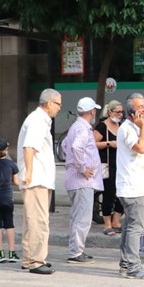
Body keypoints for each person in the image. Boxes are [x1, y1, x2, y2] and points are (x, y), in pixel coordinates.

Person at [17, 88, 62, 275]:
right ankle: (36, 260)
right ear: (50, 103)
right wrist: (29, 173)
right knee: (39, 221)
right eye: (58, 104)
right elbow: (29, 148)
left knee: (32, 220)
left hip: (37, 178)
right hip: (36, 179)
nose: (59, 108)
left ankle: (30, 258)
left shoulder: (38, 119)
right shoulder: (38, 120)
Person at [117, 93, 144, 279]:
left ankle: (125, 264)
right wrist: (143, 126)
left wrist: (141, 126)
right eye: (140, 107)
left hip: (133, 186)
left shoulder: (132, 127)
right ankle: (133, 267)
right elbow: (141, 148)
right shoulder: (127, 129)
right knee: (135, 227)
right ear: (131, 111)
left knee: (128, 227)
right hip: (132, 187)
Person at [61, 97, 103, 264]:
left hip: (76, 180)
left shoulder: (76, 127)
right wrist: (83, 168)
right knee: (82, 218)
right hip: (82, 181)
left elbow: (65, 146)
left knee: (77, 217)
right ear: (91, 111)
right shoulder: (83, 129)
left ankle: (76, 249)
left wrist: (72, 163)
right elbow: (75, 147)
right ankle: (76, 252)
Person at [94, 100, 124, 236]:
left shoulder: (122, 126)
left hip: (121, 165)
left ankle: (116, 220)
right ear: (110, 112)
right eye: (118, 112)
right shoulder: (102, 127)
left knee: (123, 194)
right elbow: (92, 143)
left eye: (122, 112)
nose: (120, 114)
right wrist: (108, 143)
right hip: (107, 165)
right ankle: (107, 224)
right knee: (109, 194)